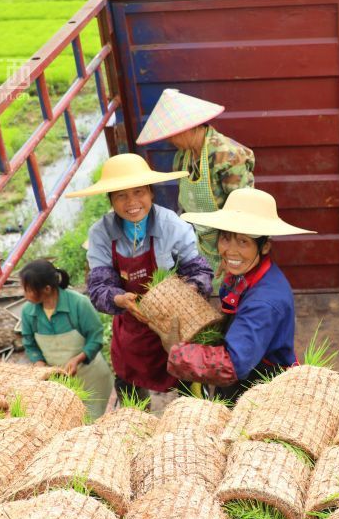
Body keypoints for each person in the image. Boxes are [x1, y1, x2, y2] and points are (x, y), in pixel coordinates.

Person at [67, 153, 214, 406]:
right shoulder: (101, 233)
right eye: (121, 195)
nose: (132, 202)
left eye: (139, 192)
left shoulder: (172, 226)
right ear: (111, 199)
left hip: (174, 328)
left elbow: (201, 271)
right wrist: (118, 298)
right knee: (130, 398)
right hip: (132, 331)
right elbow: (99, 286)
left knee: (191, 398)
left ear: (151, 193)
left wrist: (187, 290)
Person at [151, 187, 314, 404]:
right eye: (226, 239)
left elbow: (231, 365)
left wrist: (176, 350)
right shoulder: (245, 273)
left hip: (260, 392)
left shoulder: (264, 302)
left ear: (265, 246)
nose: (231, 251)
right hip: (246, 375)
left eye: (243, 242)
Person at [136, 88, 255, 277]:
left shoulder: (227, 156)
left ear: (189, 127)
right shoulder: (183, 157)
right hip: (199, 243)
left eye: (172, 134)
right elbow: (184, 207)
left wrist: (231, 255)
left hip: (232, 246)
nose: (169, 140)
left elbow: (245, 212)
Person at [19, 258, 113, 419]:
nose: (24, 294)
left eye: (28, 289)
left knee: (93, 422)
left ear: (47, 289)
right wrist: (39, 363)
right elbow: (29, 343)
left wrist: (78, 359)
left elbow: (96, 336)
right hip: (60, 381)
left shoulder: (79, 304)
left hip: (91, 376)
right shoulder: (28, 312)